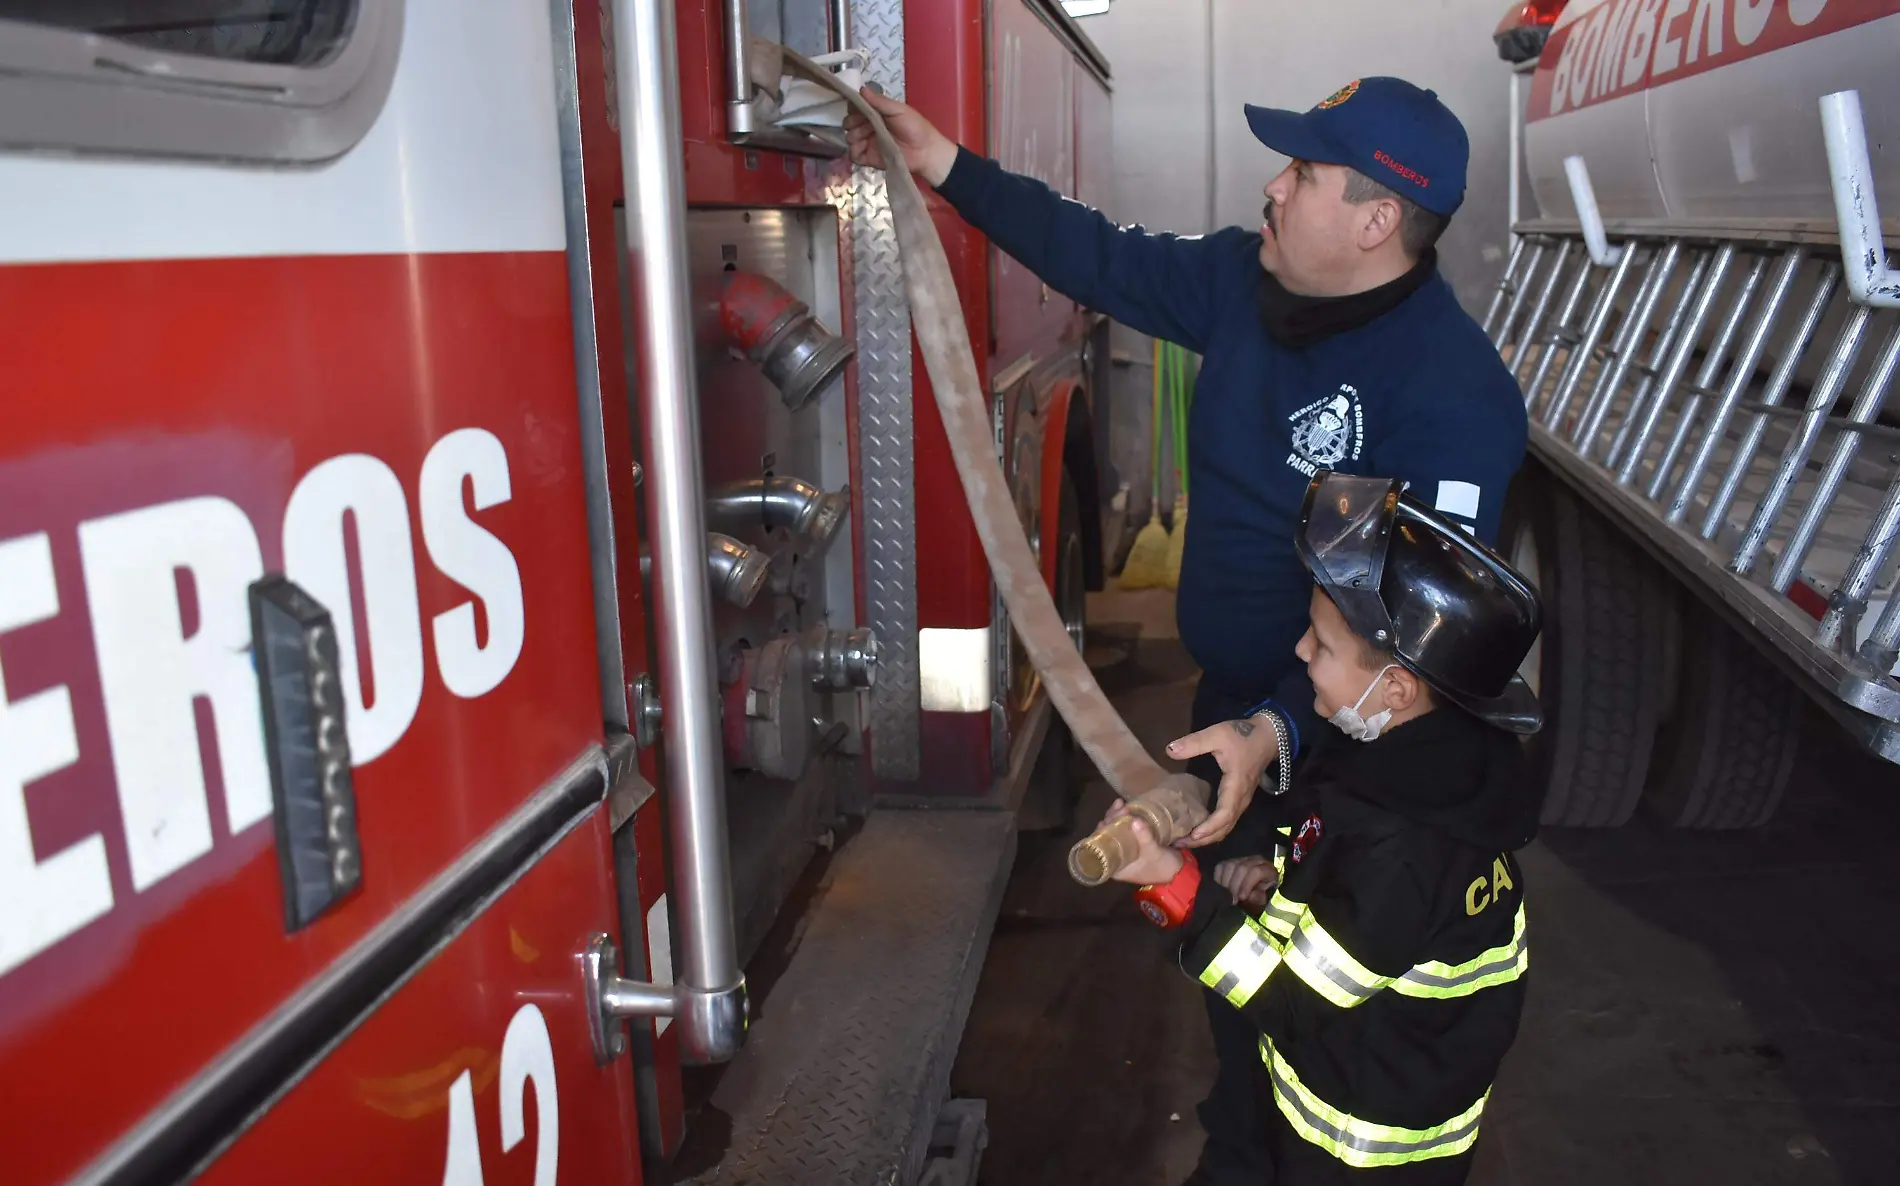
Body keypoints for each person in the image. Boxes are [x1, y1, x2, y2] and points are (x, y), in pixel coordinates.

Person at [848, 76, 1529, 1182]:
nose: (1272, 186)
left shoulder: (1455, 399)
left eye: (1302, 173)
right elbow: (1099, 254)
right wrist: (949, 167)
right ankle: (1243, 1143)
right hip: (1241, 723)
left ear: (1374, 220)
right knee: (1241, 1019)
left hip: (1349, 761)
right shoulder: (1240, 282)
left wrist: (1279, 734)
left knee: (1318, 1009)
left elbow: (1416, 666)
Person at [1108, 470, 1543, 1184]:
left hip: (1355, 1151)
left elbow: (1292, 1000)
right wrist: (1284, 886)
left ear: (1396, 689)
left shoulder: (1405, 846)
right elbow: (1359, 912)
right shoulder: (1411, 766)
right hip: (1339, 1097)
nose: (1302, 653)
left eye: (1321, 643)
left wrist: (1178, 892)